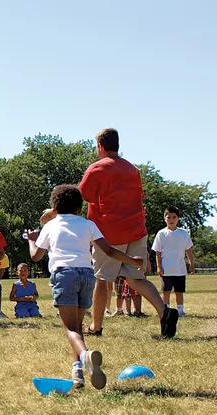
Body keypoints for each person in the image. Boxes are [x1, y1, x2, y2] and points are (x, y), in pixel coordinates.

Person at [41, 128, 177, 339]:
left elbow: (77, 197)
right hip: (137, 230)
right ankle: (164, 311)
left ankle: (96, 327)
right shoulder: (132, 169)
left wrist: (53, 212)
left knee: (102, 279)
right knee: (135, 278)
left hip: (110, 233)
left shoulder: (97, 168)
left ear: (100, 146)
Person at [28, 185, 144, 389]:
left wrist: (31, 241)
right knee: (78, 326)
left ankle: (85, 356)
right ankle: (78, 374)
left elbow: (36, 256)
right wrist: (132, 261)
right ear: (79, 208)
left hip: (64, 274)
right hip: (86, 275)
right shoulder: (88, 224)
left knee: (70, 328)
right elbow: (108, 251)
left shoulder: (51, 226)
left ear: (54, 208)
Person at [152, 206, 195, 317]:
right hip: (166, 268)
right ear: (165, 218)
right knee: (166, 290)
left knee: (179, 291)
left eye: (174, 217)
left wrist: (191, 265)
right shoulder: (161, 233)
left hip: (180, 268)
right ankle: (166, 310)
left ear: (178, 218)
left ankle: (180, 311)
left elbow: (188, 250)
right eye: (169, 217)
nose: (171, 220)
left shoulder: (183, 233)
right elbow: (158, 251)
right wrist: (159, 266)